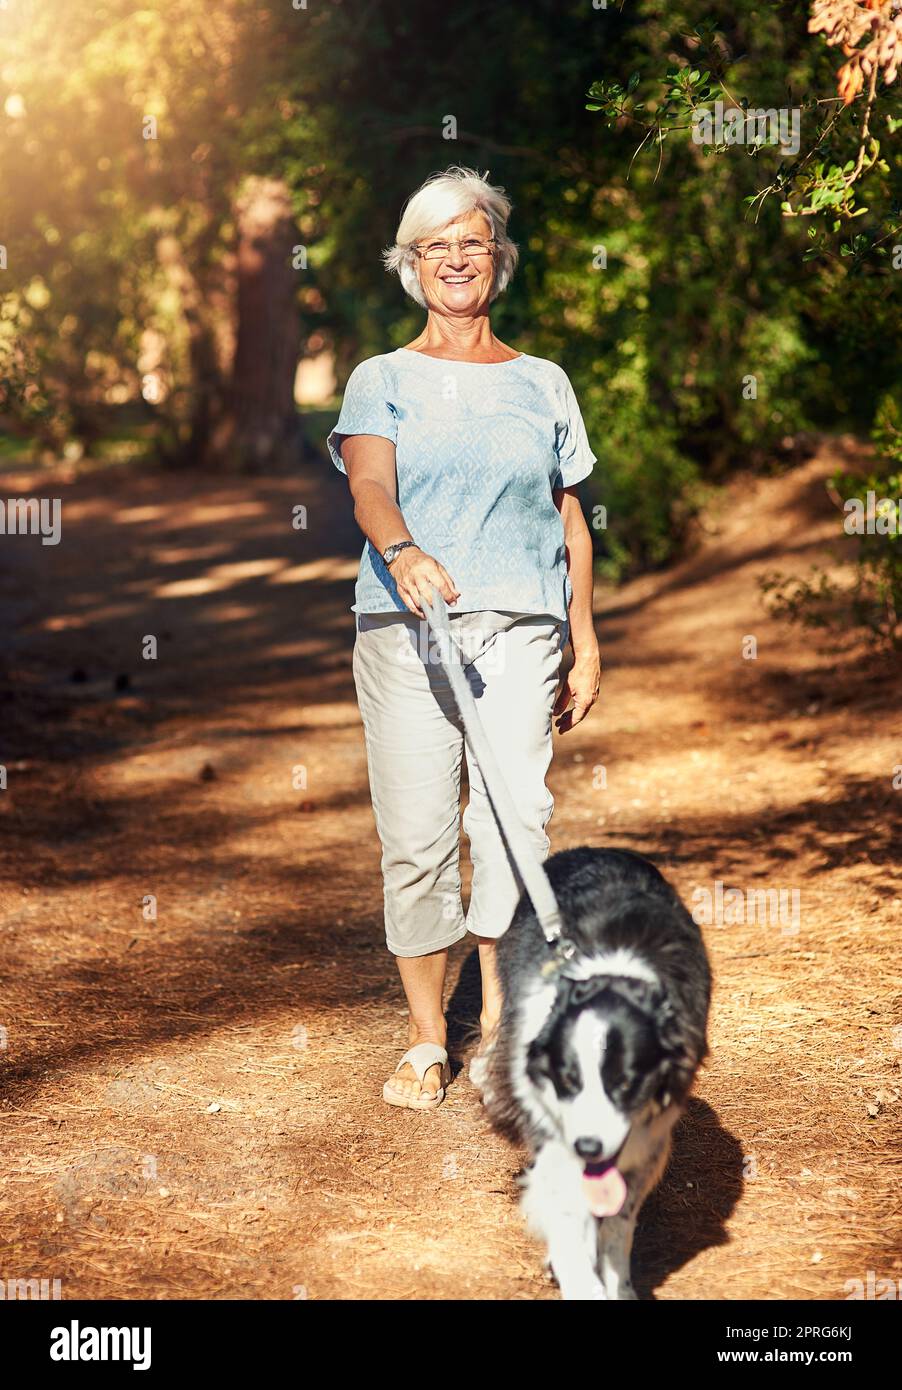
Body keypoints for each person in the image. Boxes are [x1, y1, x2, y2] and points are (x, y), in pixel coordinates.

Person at [326, 166, 601, 1109]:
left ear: (499, 261)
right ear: (410, 264)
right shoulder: (382, 378)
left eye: (472, 242)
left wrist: (586, 636)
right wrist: (401, 551)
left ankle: (493, 1032)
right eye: (435, 245)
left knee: (515, 818)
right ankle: (422, 1039)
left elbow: (571, 521)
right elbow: (369, 488)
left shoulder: (544, 381)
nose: (455, 259)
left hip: (521, 628)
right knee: (418, 836)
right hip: (406, 630)